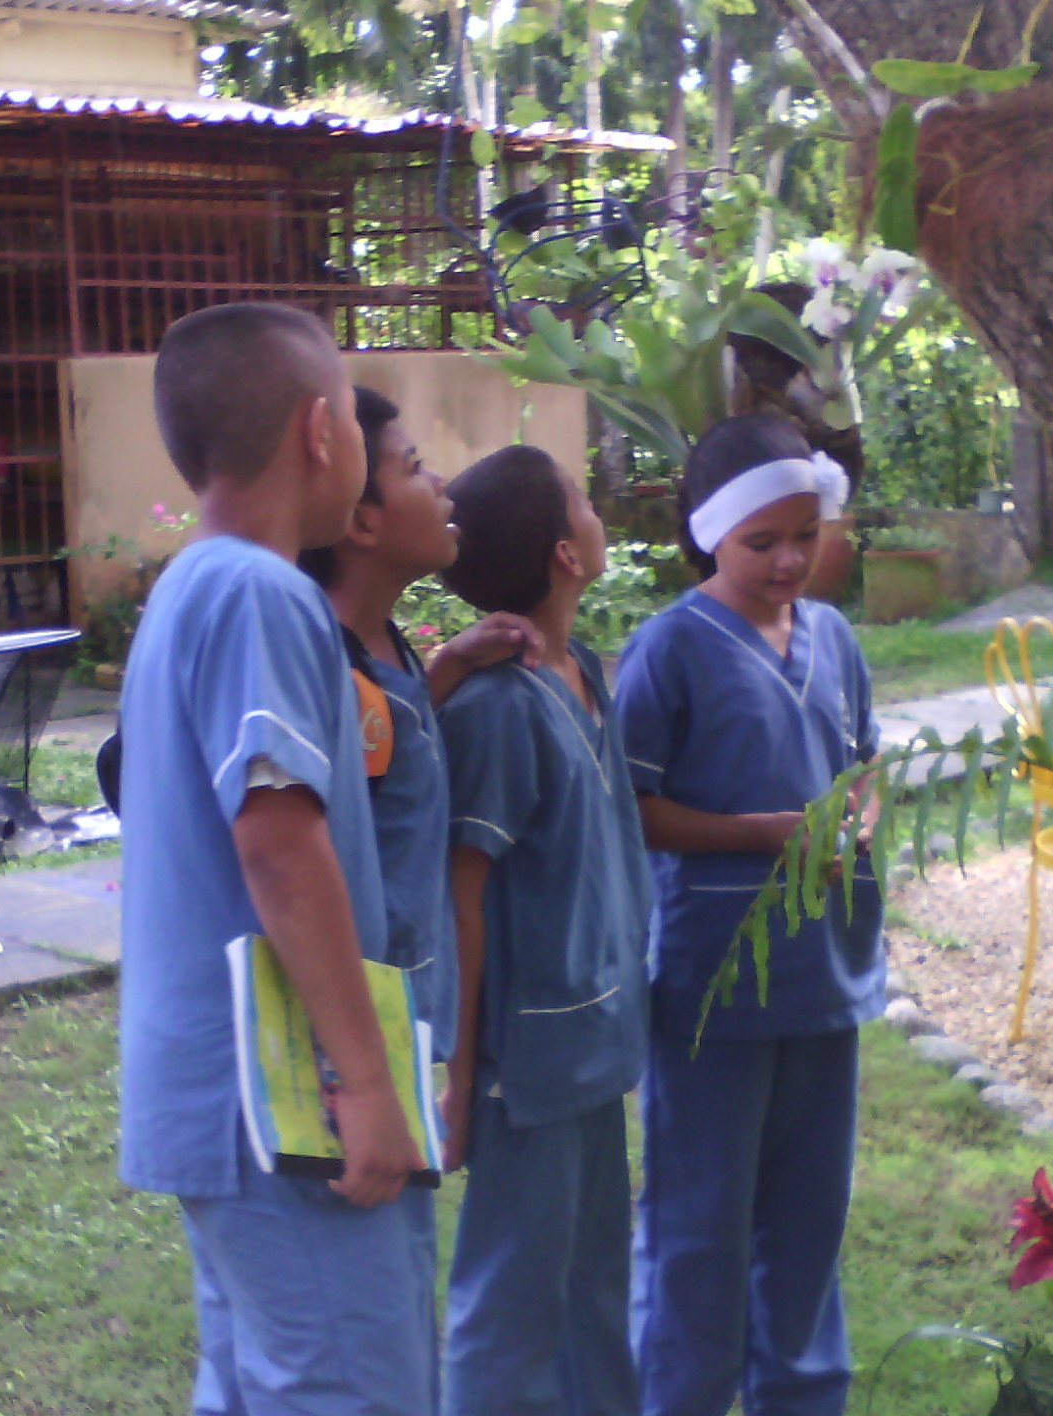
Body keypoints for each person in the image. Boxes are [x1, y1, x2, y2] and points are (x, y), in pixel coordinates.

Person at [117, 303, 432, 1416]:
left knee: (260, 1387)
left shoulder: (187, 590)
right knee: (351, 1388)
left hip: (218, 1099)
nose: (357, 436)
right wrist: (365, 1080)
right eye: (353, 412)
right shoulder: (261, 594)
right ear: (317, 431)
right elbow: (278, 845)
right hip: (281, 1105)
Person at [614, 413, 882, 1416]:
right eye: (758, 542)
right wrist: (760, 833)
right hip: (712, 990)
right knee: (700, 1224)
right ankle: (680, 1396)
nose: (785, 561)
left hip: (826, 981)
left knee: (809, 1223)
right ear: (706, 538)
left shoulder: (837, 640)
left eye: (801, 538)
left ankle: (802, 1398)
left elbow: (865, 764)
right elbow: (630, 809)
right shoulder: (667, 651)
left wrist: (859, 810)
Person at [288, 387, 543, 1405]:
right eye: (413, 468)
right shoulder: (324, 660)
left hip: (407, 1029)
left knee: (399, 1312)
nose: (443, 488)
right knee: (361, 1347)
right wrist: (360, 1076)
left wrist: (436, 669)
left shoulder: (389, 655)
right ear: (358, 519)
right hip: (357, 1051)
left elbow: (388, 765)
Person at [435, 443, 654, 1416]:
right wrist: (457, 1068)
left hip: (598, 1043)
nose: (598, 508)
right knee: (511, 1304)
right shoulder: (496, 710)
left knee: (596, 1289)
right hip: (527, 1065)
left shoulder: (587, 677)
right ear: (566, 553)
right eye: (582, 499)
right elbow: (462, 893)